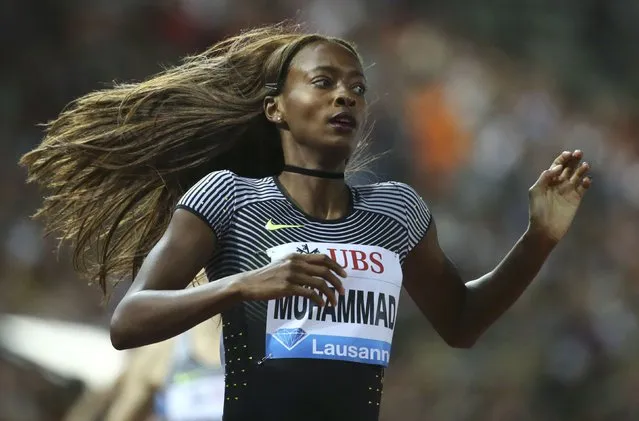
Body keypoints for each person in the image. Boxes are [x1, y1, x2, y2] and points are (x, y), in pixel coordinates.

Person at [21, 23, 591, 421]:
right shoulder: (227, 200)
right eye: (323, 83)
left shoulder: (396, 213)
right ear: (276, 108)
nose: (345, 96)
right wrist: (245, 284)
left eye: (357, 89)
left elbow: (462, 324)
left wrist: (539, 238)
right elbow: (127, 320)